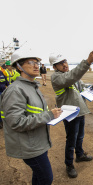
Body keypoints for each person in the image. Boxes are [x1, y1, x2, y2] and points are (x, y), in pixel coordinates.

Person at [1, 49, 62, 185]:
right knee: (46, 178)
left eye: (37, 62)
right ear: (19, 66)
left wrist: (51, 115)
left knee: (39, 176)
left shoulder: (31, 86)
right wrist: (49, 115)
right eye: (31, 62)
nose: (36, 66)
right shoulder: (15, 90)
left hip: (37, 141)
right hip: (29, 146)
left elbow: (35, 113)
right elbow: (16, 122)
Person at [49, 50, 93, 178]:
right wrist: (87, 62)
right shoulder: (57, 77)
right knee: (71, 140)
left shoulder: (69, 75)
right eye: (60, 63)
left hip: (80, 111)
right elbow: (72, 77)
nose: (64, 64)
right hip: (70, 114)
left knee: (80, 136)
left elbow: (81, 85)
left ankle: (80, 155)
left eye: (64, 61)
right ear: (54, 67)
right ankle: (69, 164)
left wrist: (91, 86)